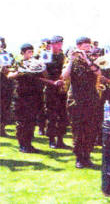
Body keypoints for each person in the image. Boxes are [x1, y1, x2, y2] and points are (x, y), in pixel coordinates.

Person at [62, 37, 101, 168]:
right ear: (78, 46)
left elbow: (98, 73)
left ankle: (87, 156)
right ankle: (79, 157)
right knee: (78, 130)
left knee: (90, 130)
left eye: (89, 46)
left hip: (91, 99)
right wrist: (71, 60)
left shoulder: (94, 59)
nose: (87, 48)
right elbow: (64, 76)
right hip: (76, 100)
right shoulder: (71, 60)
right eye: (85, 46)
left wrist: (87, 59)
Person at [7, 44, 46, 153]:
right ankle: (22, 144)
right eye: (28, 52)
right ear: (23, 53)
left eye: (32, 52)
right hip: (21, 96)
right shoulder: (18, 63)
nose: (31, 54)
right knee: (22, 122)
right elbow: (9, 75)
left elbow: (44, 76)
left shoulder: (36, 62)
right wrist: (18, 72)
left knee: (31, 121)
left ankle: (28, 144)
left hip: (34, 96)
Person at [43, 36, 69, 149]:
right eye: (56, 44)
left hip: (62, 89)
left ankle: (60, 139)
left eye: (60, 44)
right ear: (51, 44)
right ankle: (51, 139)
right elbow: (39, 75)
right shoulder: (45, 56)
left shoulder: (63, 56)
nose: (59, 46)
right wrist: (52, 82)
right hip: (51, 89)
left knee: (63, 115)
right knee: (52, 115)